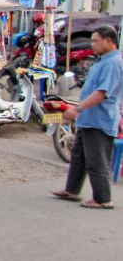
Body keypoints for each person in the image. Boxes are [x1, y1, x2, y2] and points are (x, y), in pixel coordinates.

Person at [53, 26, 123, 210]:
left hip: (100, 119)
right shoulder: (101, 61)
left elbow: (102, 93)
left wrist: (78, 108)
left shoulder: (113, 62)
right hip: (88, 118)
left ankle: (103, 198)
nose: (92, 45)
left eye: (95, 41)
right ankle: (72, 190)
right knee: (79, 156)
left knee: (96, 160)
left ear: (108, 41)